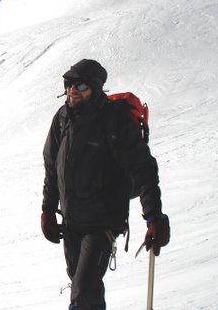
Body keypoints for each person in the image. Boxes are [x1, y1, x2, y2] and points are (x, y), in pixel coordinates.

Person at [41, 59, 171, 309]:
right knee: (83, 289)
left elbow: (143, 168)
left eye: (80, 85)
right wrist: (48, 210)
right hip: (71, 224)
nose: (72, 90)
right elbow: (51, 168)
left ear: (96, 88)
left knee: (83, 292)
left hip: (102, 224)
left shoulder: (113, 121)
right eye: (69, 84)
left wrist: (154, 216)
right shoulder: (62, 120)